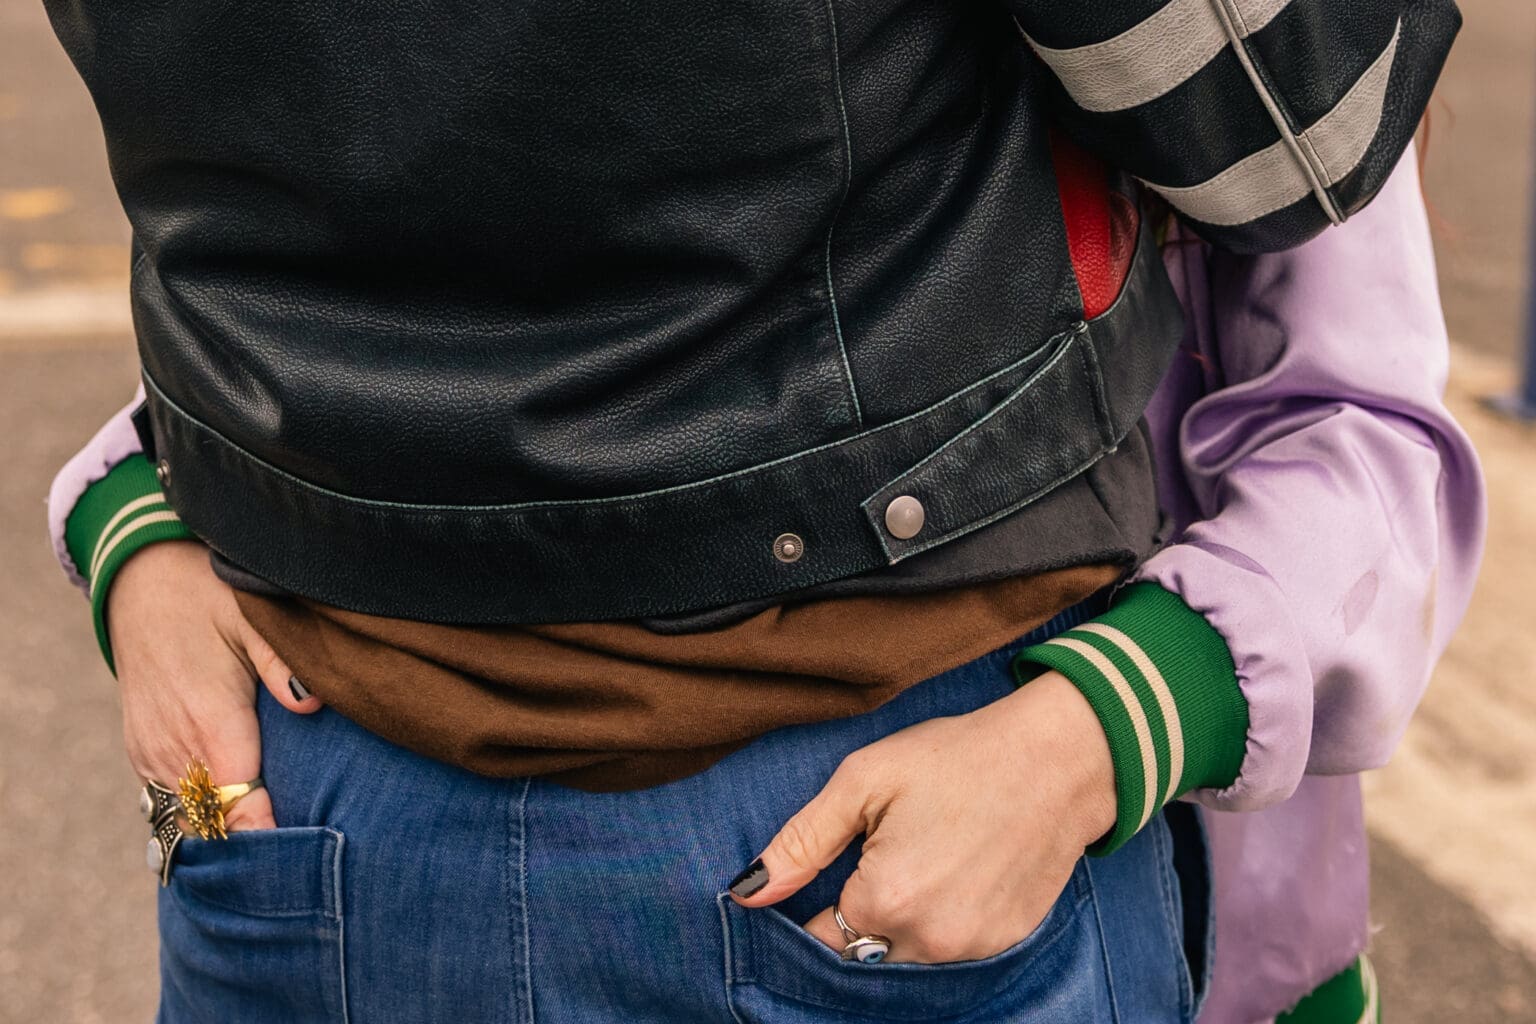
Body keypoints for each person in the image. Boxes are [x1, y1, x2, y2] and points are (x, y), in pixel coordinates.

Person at [42, 2, 1476, 1021]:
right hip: (845, 799)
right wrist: (135, 522)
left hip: (335, 807)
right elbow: (1300, 123)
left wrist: (1094, 738)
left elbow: (1357, 414)